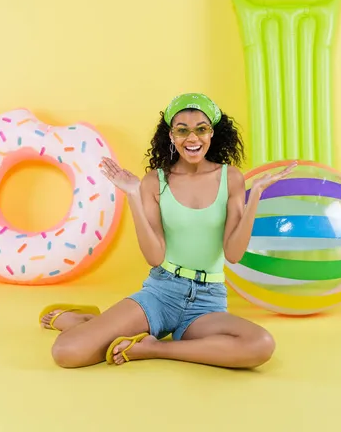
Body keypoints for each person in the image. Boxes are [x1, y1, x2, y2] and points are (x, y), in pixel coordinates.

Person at [39, 93, 296, 369]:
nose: (192, 138)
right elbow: (154, 256)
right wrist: (134, 196)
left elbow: (233, 254)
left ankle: (153, 348)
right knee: (66, 352)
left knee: (260, 345)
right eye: (182, 130)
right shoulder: (155, 181)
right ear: (171, 136)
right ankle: (80, 320)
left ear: (213, 133)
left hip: (207, 302)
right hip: (161, 293)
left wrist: (254, 194)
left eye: (201, 129)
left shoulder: (230, 178)